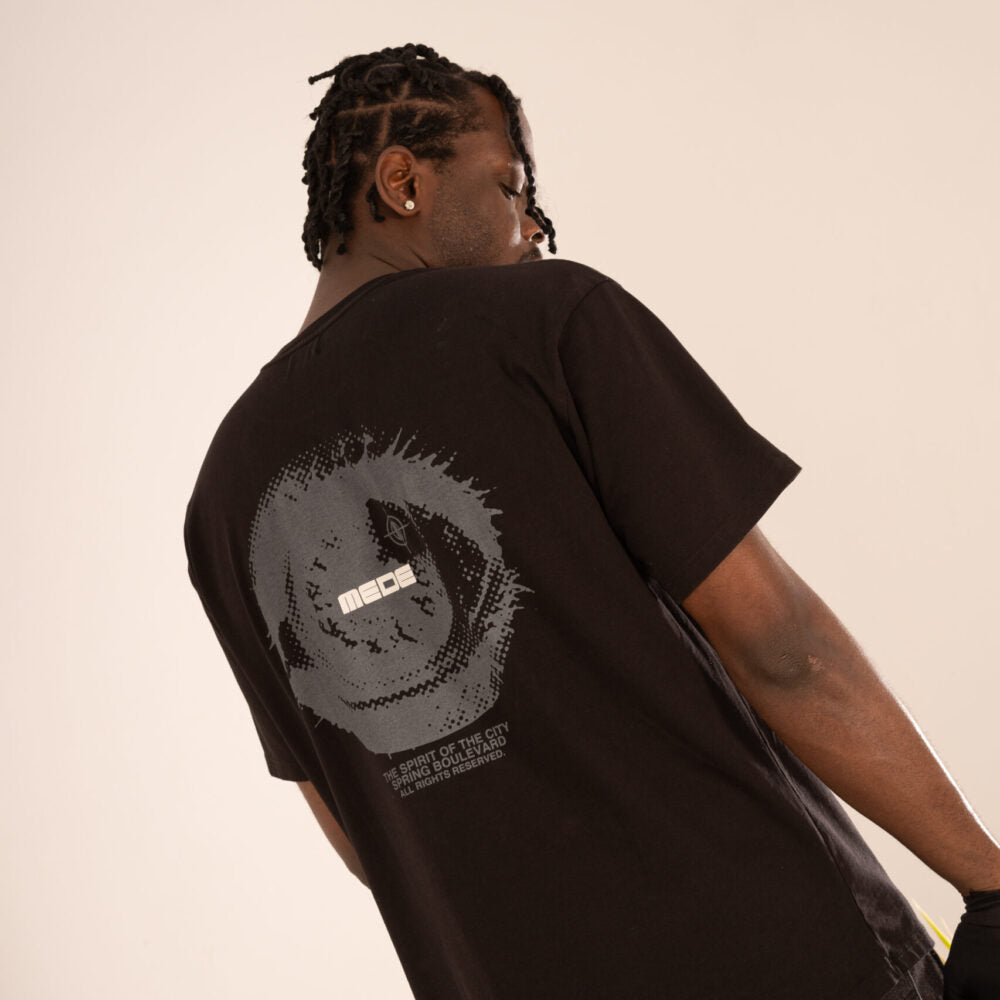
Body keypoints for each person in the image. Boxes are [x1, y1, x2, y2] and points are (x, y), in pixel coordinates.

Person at [182, 42, 1000, 1000]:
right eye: (510, 186)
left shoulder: (221, 497)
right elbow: (783, 647)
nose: (531, 225)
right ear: (403, 182)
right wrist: (988, 884)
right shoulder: (549, 321)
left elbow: (363, 832)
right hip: (789, 957)